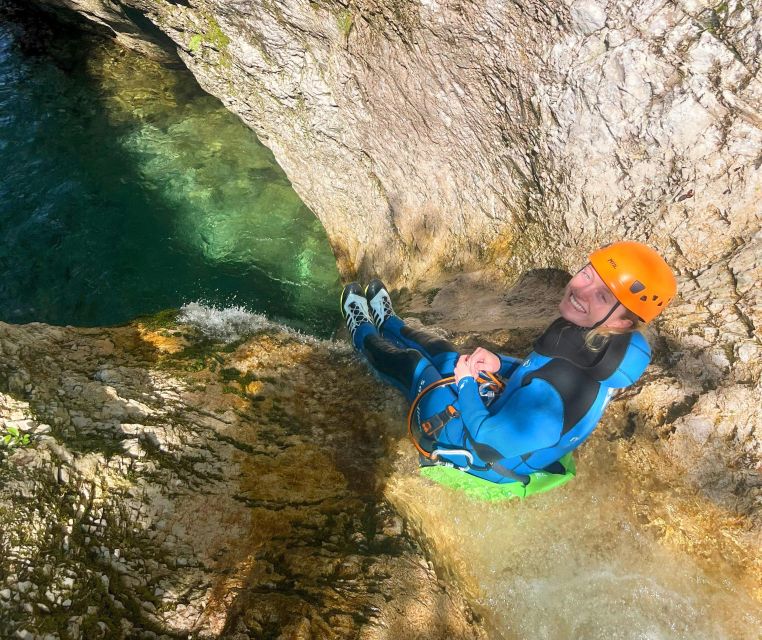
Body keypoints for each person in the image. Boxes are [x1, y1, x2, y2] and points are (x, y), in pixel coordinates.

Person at [340, 241, 677, 485]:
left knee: (415, 366)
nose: (580, 289)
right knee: (445, 351)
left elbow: (490, 442)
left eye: (603, 295)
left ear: (623, 322)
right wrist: (500, 364)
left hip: (477, 452)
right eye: (587, 274)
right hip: (500, 414)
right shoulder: (598, 344)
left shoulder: (559, 396)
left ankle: (362, 332)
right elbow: (538, 372)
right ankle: (390, 323)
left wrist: (467, 385)